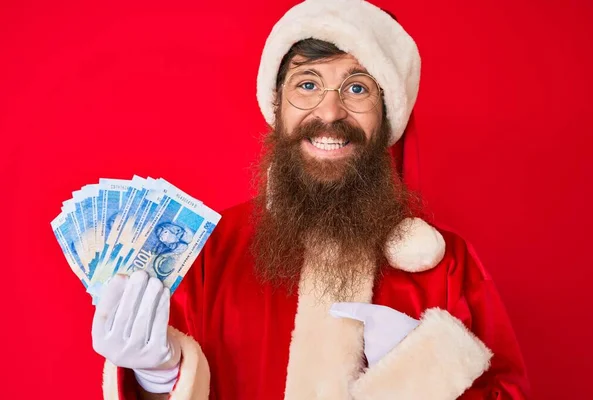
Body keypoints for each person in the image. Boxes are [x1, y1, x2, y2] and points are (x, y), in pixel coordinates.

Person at [91, 0, 531, 399]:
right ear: (277, 106)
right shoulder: (206, 250)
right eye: (307, 84)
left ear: (387, 116)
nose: (329, 112)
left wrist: (425, 375)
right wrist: (157, 379)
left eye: (357, 88)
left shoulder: (448, 266)